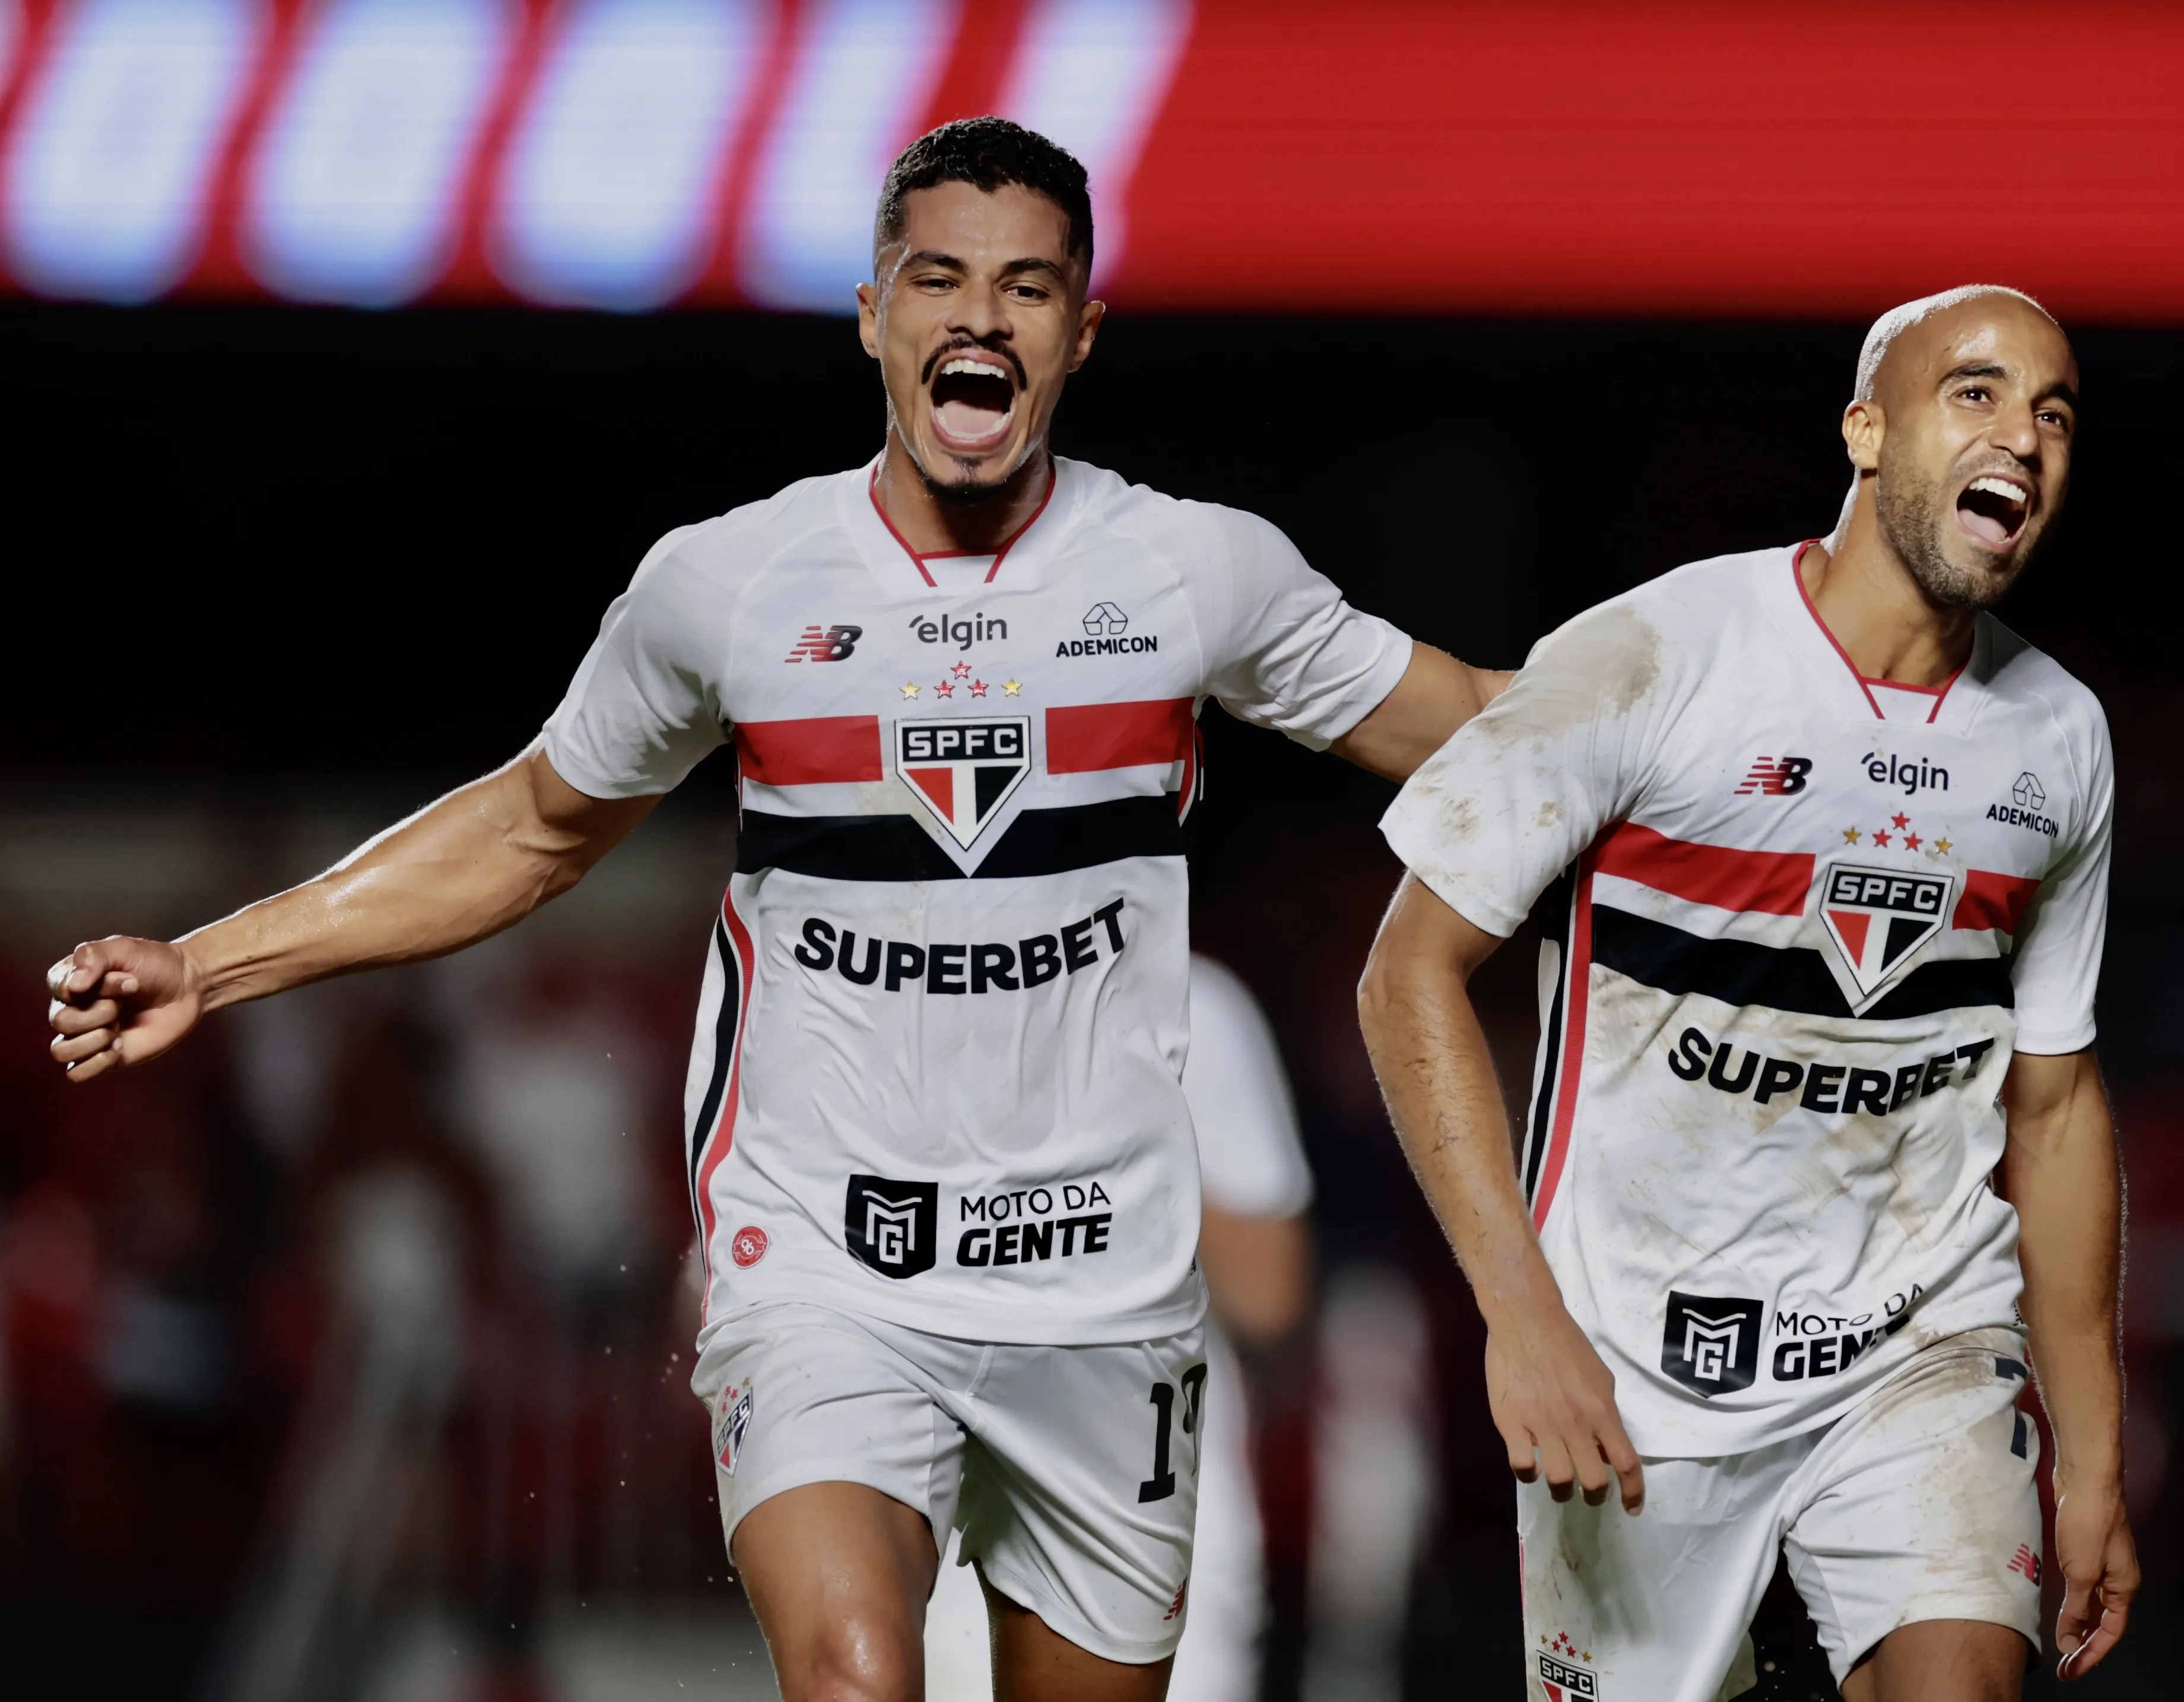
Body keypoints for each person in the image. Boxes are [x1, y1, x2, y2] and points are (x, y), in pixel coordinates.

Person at [45, 119, 1503, 1702]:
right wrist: (210, 962)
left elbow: (1485, 726)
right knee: (857, 1673)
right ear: (873, 313)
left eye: (1025, 288)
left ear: (1080, 333)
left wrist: (1703, 673)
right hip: (825, 1266)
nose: (977, 316)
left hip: (1102, 1288)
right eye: (936, 278)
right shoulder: (730, 585)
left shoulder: (1191, 573)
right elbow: (532, 824)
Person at [1357, 286, 2137, 1701]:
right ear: (1864, 431)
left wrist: (2090, 1459)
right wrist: (1518, 1313)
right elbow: (1407, 971)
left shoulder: (2057, 738)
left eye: (2052, 413)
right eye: (1972, 392)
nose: (2021, 435)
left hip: (1917, 1340)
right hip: (1633, 1368)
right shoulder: (1658, 654)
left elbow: (2056, 1101)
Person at [926, 953, 1312, 1702]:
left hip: (1147, 1508)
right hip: (947, 1501)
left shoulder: (1191, 998)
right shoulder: (895, 982)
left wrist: (1107, 1139)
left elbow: (1269, 1292)